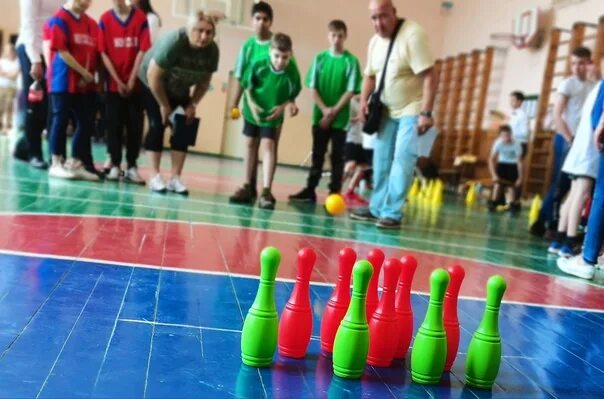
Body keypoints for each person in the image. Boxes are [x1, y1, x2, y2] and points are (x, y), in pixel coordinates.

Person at [349, 0, 436, 229]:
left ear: (394, 13)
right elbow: (369, 75)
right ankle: (376, 208)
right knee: (381, 160)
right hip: (386, 109)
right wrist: (363, 105)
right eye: (374, 18)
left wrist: (426, 113)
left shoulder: (412, 35)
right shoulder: (375, 42)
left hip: (412, 107)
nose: (379, 23)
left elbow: (429, 75)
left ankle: (392, 213)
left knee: (403, 159)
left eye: (383, 16)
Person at [139, 10, 219, 195]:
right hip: (153, 85)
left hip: (180, 88)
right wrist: (164, 105)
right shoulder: (174, 42)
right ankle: (154, 176)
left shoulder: (212, 51)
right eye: (199, 30)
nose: (204, 36)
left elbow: (204, 82)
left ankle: (175, 178)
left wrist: (193, 104)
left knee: (184, 125)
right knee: (157, 123)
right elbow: (153, 75)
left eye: (209, 32)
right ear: (189, 29)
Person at [229, 1, 300, 204]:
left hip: (273, 110)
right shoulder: (248, 47)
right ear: (252, 21)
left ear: (270, 22)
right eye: (257, 18)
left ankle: (266, 190)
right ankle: (247, 186)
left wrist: (288, 103)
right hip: (253, 107)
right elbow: (242, 78)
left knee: (269, 145)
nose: (261, 22)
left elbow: (292, 84)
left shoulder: (281, 46)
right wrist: (235, 104)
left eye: (265, 19)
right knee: (250, 143)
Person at [288, 19, 362, 203]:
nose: (336, 39)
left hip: (340, 119)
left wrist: (334, 111)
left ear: (345, 37)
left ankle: (334, 191)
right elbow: (312, 87)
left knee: (337, 157)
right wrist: (324, 109)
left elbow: (351, 89)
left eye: (340, 35)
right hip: (319, 117)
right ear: (328, 36)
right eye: (333, 35)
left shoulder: (351, 61)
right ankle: (310, 189)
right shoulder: (319, 58)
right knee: (317, 154)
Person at [531, 47, 595, 238]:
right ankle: (547, 222)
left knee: (574, 186)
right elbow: (557, 115)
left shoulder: (593, 86)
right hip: (566, 140)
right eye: (573, 63)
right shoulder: (567, 84)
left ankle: (551, 222)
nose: (577, 68)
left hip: (583, 143)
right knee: (561, 183)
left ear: (588, 64)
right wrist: (570, 139)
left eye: (581, 63)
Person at [46, 0, 100, 181]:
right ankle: (56, 163)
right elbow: (63, 51)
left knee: (85, 122)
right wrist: (83, 72)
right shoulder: (58, 19)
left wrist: (86, 76)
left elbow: (89, 51)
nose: (86, 3)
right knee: (60, 121)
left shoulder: (89, 22)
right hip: (61, 80)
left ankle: (75, 163)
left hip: (81, 84)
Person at [99, 0, 151, 184]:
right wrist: (118, 80)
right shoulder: (104, 19)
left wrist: (131, 79)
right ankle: (115, 166)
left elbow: (143, 50)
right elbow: (103, 53)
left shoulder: (140, 18)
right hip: (114, 86)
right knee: (113, 126)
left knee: (134, 127)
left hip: (136, 86)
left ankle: (131, 167)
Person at [549, 78, 602, 257]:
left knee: (572, 195)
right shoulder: (600, 87)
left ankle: (559, 239)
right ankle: (570, 242)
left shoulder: (595, 87)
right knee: (581, 194)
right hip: (589, 150)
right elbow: (597, 119)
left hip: (579, 147)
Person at [15, 0, 64, 169]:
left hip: (51, 49)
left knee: (50, 104)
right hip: (31, 48)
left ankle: (24, 146)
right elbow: (29, 26)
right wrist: (35, 60)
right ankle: (33, 153)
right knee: (35, 103)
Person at [341, 95, 372, 204]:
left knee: (363, 166)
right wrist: (357, 118)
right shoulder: (351, 102)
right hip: (352, 138)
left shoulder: (370, 102)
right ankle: (336, 188)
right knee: (351, 164)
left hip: (365, 139)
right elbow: (344, 119)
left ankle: (350, 191)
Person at [487, 125, 523, 212]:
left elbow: (519, 162)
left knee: (511, 186)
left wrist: (520, 178)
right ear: (500, 136)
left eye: (508, 135)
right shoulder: (498, 143)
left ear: (511, 134)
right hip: (502, 164)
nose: (506, 138)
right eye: (504, 136)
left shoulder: (517, 144)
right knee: (497, 184)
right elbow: (491, 160)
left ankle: (512, 204)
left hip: (513, 165)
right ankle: (494, 203)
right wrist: (494, 175)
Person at [0, 43, 19, 132]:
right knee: (0, 107)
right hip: (1, 86)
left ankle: (7, 126)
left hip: (11, 88)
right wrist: (9, 74)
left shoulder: (17, 62)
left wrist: (5, 73)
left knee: (9, 106)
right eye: (7, 51)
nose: (9, 52)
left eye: (10, 50)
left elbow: (15, 75)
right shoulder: (1, 61)